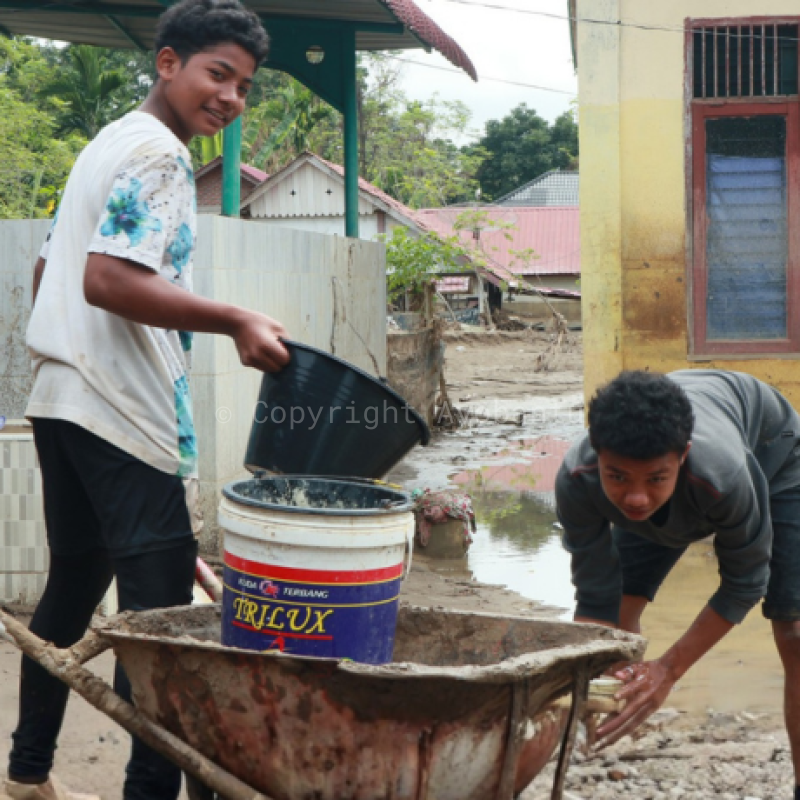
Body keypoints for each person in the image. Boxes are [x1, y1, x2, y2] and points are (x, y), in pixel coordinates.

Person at [2, 2, 288, 799]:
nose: (231, 97)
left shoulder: (107, 143)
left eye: (244, 85)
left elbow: (48, 274)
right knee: (158, 629)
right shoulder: (160, 156)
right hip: (124, 413)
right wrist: (233, 318)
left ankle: (27, 775)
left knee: (71, 588)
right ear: (168, 64)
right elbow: (107, 277)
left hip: (62, 399)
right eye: (217, 74)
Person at [556, 369, 800, 800]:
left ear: (683, 455)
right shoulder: (578, 478)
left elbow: (745, 582)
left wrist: (668, 670)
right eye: (618, 477)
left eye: (654, 479)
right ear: (597, 454)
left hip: (774, 455)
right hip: (683, 470)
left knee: (794, 632)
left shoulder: (723, 474)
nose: (635, 498)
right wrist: (589, 681)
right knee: (619, 616)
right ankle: (622, 710)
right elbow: (595, 597)